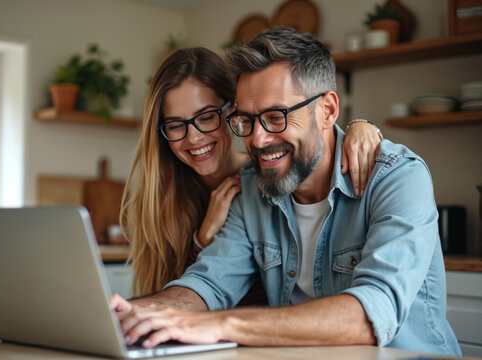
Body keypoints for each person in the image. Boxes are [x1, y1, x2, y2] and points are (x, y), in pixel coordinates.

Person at [111, 28, 461, 356]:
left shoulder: (396, 178)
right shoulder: (252, 187)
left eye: (276, 116)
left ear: (327, 110)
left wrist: (219, 324)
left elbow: (370, 314)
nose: (257, 139)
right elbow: (209, 285)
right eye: (246, 120)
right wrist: (128, 312)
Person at [119, 46, 382, 297]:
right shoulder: (158, 201)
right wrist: (203, 239)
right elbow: (181, 296)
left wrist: (361, 126)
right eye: (176, 125)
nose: (194, 137)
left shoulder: (272, 175)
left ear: (234, 109)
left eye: (207, 116)